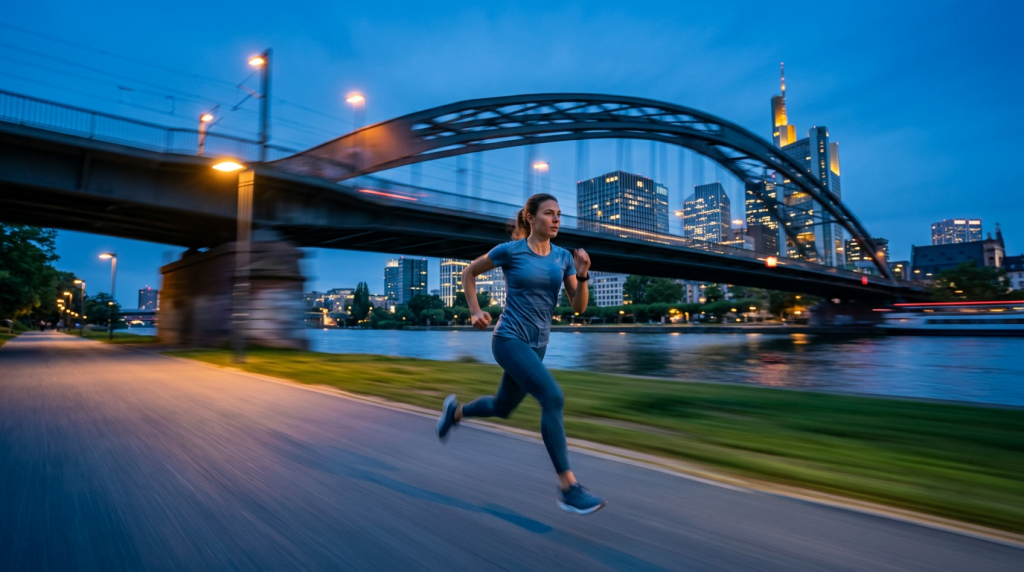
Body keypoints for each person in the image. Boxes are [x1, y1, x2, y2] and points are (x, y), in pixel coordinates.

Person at [435, 193, 605, 515]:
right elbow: (469, 273)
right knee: (552, 397)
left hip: (538, 344)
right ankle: (569, 488)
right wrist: (475, 311)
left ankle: (454, 412)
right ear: (530, 218)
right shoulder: (510, 251)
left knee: (503, 407)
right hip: (509, 339)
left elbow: (579, 307)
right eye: (549, 213)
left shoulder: (563, 257)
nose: (556, 219)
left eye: (559, 214)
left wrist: (583, 274)